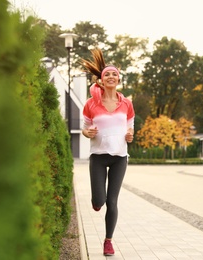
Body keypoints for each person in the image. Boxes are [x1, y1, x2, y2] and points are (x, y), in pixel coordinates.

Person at [81, 48, 135, 256]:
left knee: (112, 202)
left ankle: (108, 241)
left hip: (120, 157)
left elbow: (129, 127)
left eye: (114, 74)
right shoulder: (91, 103)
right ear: (101, 81)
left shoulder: (126, 103)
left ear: (118, 79)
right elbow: (85, 129)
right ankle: (96, 202)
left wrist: (130, 135)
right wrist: (89, 132)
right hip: (98, 157)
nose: (111, 76)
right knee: (99, 201)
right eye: (107, 74)